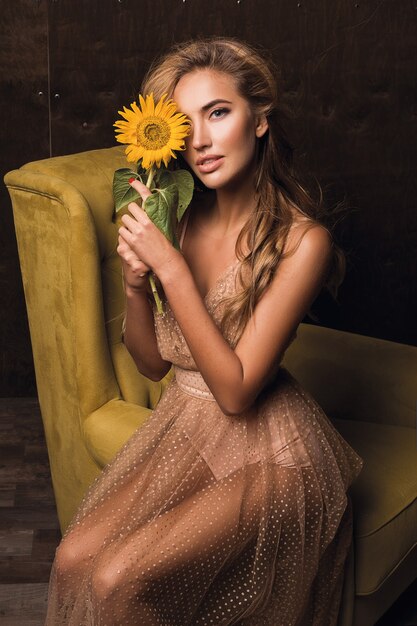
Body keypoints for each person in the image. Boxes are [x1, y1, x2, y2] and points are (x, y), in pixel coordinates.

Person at [45, 37, 363, 625]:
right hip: (187, 425)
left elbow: (238, 391)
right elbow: (153, 365)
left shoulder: (302, 241)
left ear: (260, 120)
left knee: (121, 576)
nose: (200, 140)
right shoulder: (180, 216)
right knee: (73, 560)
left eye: (218, 112)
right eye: (183, 122)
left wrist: (170, 268)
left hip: (275, 450)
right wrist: (137, 283)